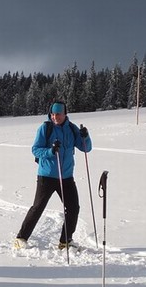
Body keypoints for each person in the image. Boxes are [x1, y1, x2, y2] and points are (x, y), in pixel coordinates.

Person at [14, 101, 92, 250]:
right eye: (53, 114)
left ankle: (65, 241)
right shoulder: (45, 128)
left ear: (65, 114)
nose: (55, 117)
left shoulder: (72, 129)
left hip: (66, 176)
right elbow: (35, 149)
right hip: (47, 176)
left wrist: (85, 136)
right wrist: (50, 151)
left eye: (58, 114)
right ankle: (21, 238)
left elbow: (86, 148)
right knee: (38, 207)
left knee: (73, 208)